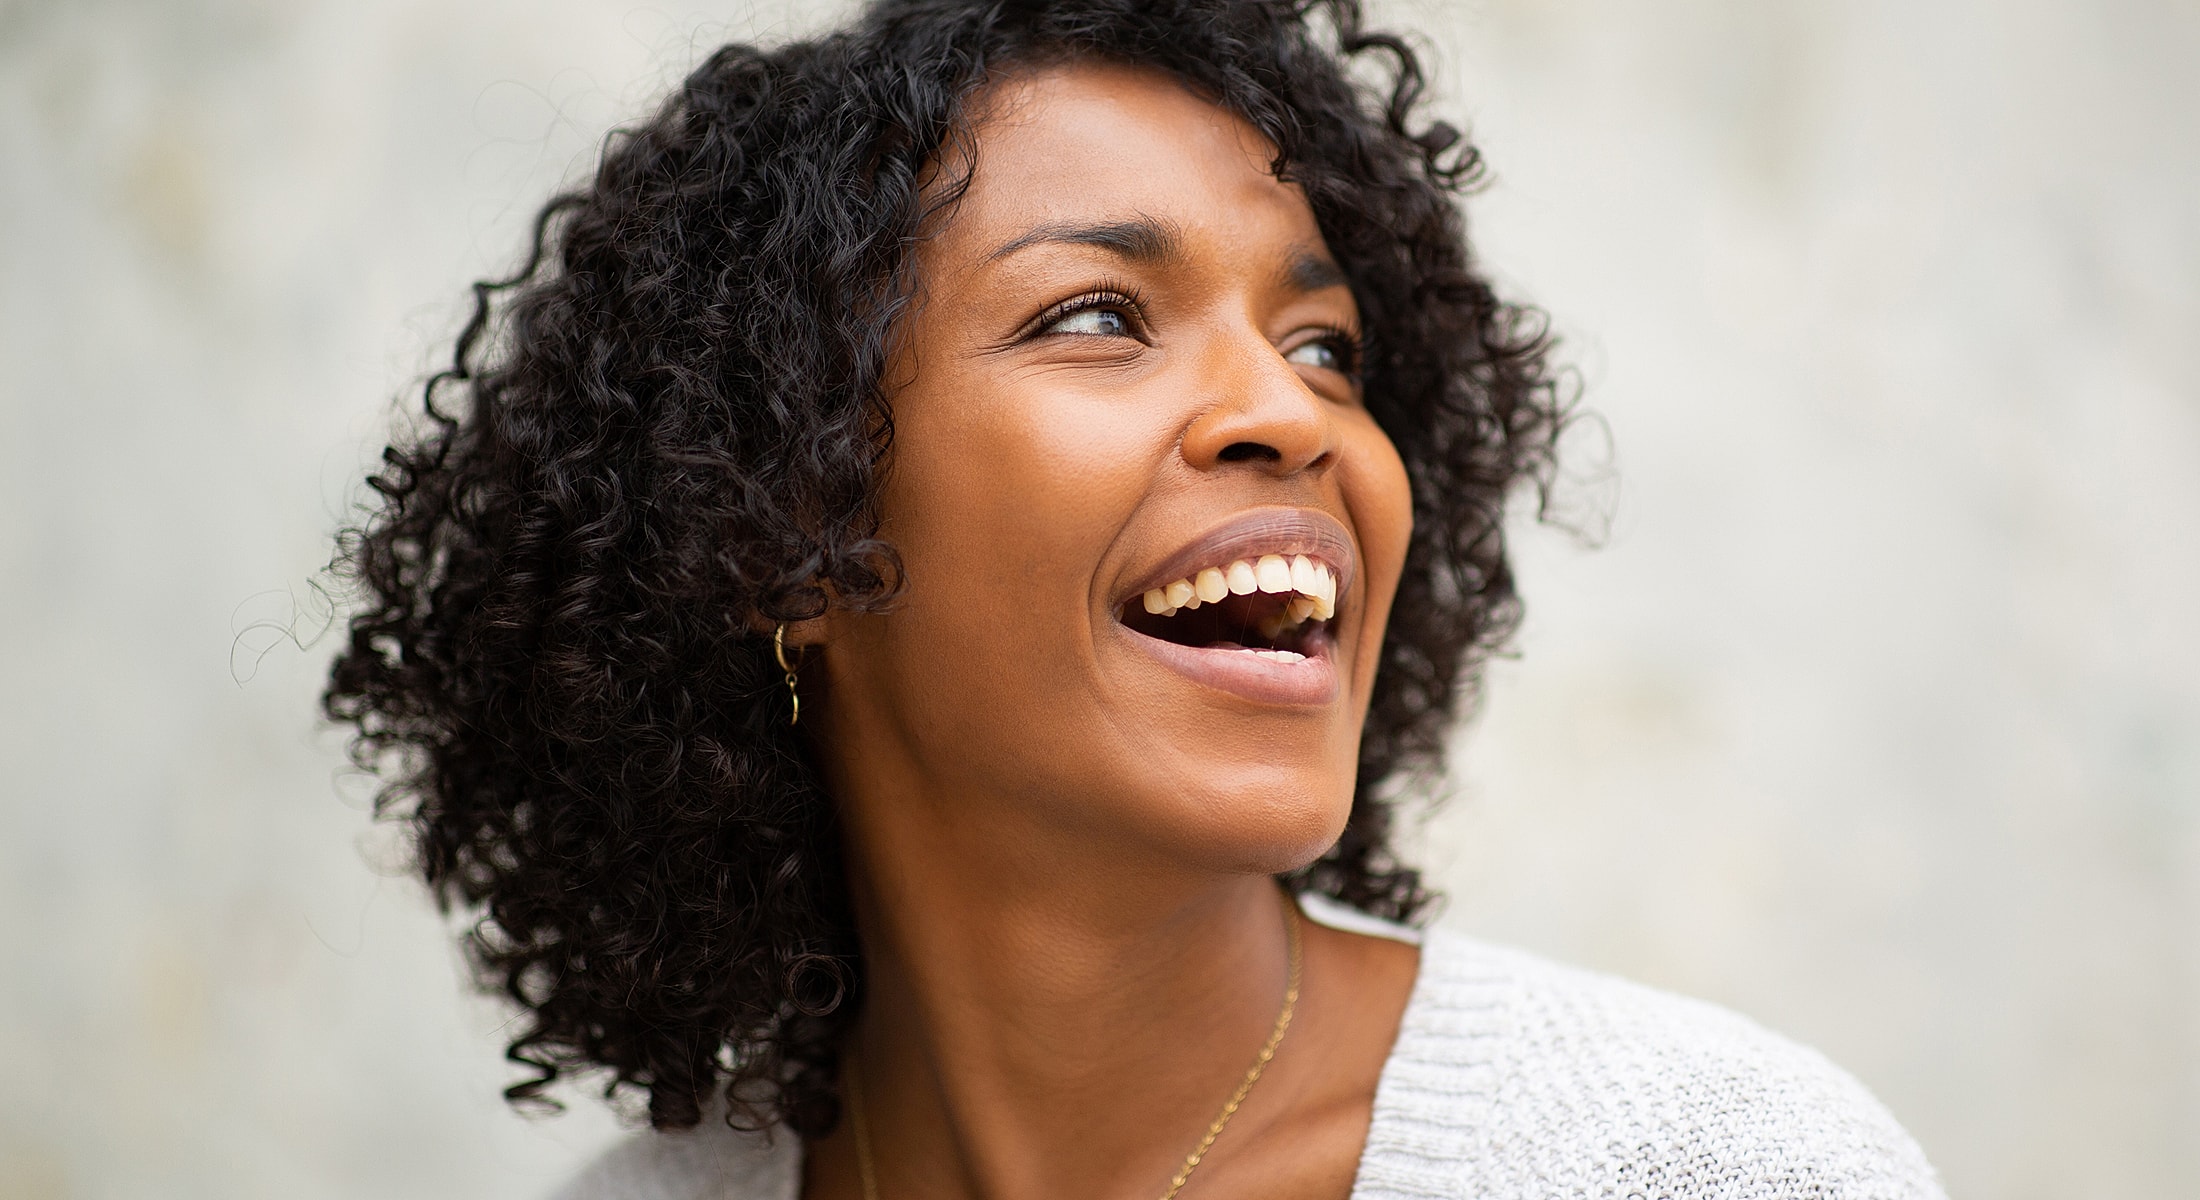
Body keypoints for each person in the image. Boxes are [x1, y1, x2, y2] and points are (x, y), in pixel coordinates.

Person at [324, 1, 1945, 1196]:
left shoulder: (1701, 1166)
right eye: (1098, 313)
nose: (1296, 414)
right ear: (782, 520)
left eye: (1328, 348)